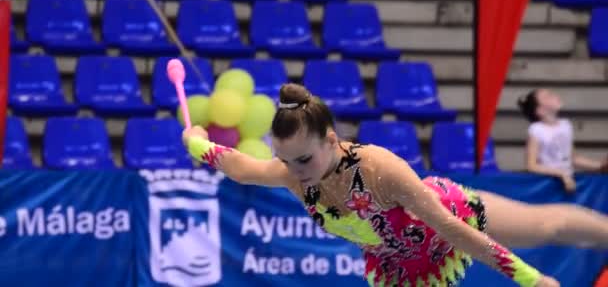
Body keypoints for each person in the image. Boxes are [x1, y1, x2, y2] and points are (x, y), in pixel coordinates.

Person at [183, 83, 608, 287]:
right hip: (401, 267)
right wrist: (198, 143)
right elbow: (240, 166)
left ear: (332, 141)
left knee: (547, 228)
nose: (294, 170)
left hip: (451, 218)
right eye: (287, 159)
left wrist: (531, 278)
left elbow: (454, 230)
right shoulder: (293, 173)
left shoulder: (379, 169)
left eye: (304, 158)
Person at [518, 89, 608, 193]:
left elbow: (572, 158)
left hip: (567, 183)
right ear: (540, 110)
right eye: (548, 96)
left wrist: (600, 166)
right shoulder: (536, 130)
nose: (554, 96)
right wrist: (561, 173)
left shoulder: (565, 125)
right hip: (546, 184)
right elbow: (531, 165)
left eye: (551, 93)